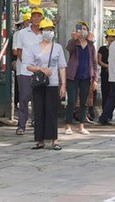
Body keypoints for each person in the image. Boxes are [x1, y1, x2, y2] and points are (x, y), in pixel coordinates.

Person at [23, 19, 67, 150]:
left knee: (52, 111)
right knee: (39, 111)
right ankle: (40, 140)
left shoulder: (58, 47)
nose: (50, 32)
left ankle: (54, 139)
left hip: (52, 84)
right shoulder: (34, 48)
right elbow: (28, 66)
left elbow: (62, 67)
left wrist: (63, 84)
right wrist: (41, 69)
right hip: (39, 84)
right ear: (41, 32)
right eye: (47, 30)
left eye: (51, 30)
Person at [12, 8, 44, 135]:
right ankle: (21, 124)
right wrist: (26, 62)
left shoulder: (45, 33)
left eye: (38, 16)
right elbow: (18, 50)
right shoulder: (22, 33)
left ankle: (37, 122)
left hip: (40, 70)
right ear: (30, 18)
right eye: (34, 16)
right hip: (25, 70)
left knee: (38, 98)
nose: (36, 18)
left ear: (42, 18)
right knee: (24, 97)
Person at [64, 21, 98, 135]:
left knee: (84, 102)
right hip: (73, 77)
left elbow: (94, 63)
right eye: (80, 28)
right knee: (72, 101)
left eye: (84, 29)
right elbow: (68, 48)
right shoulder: (73, 42)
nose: (82, 31)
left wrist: (95, 79)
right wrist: (74, 39)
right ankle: (68, 125)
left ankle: (81, 126)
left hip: (86, 77)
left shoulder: (91, 45)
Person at [97, 28, 115, 123]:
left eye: (113, 37)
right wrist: (107, 66)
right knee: (106, 94)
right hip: (105, 74)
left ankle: (110, 114)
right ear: (106, 38)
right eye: (110, 37)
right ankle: (105, 115)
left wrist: (113, 67)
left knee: (113, 95)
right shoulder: (102, 49)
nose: (111, 39)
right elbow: (99, 61)